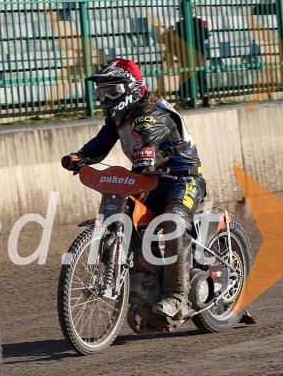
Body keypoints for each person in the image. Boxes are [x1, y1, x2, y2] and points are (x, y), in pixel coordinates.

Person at [61, 58, 206, 320]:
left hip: (182, 180)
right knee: (120, 221)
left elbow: (146, 137)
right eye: (102, 92)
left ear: (132, 88)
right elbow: (101, 142)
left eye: (112, 92)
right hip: (147, 179)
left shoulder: (151, 113)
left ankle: (177, 297)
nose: (106, 99)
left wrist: (144, 155)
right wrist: (80, 157)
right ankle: (146, 286)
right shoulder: (120, 116)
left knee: (173, 224)